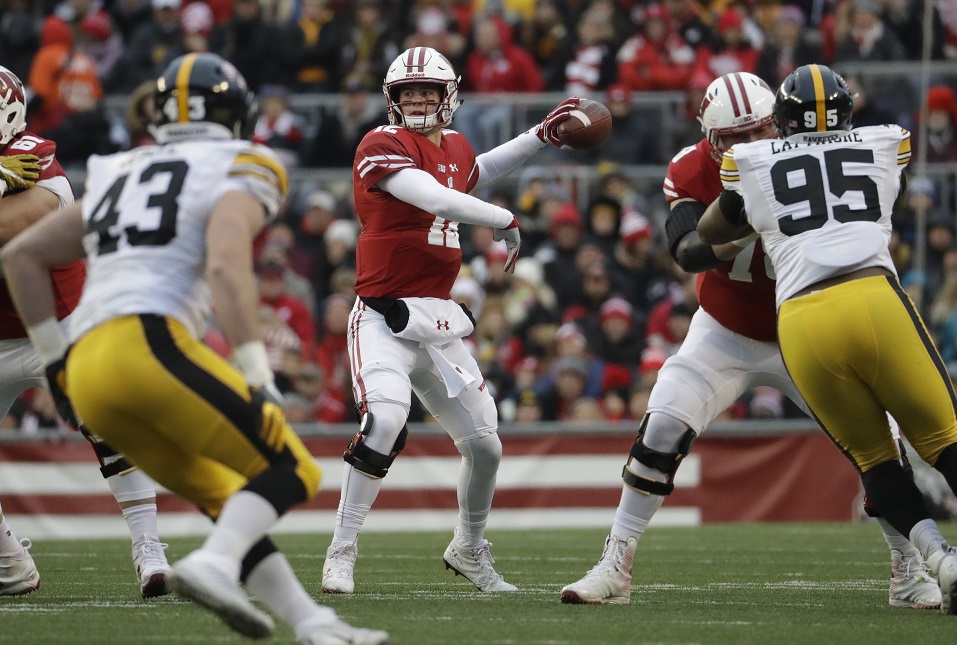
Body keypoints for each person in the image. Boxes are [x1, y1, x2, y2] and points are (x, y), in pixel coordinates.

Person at [1, 53, 388, 645]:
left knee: (225, 495)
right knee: (293, 469)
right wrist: (258, 371)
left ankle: (314, 624)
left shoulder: (120, 165)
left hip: (90, 365)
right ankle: (211, 564)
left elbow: (21, 257)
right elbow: (229, 268)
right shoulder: (245, 162)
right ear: (235, 111)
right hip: (149, 342)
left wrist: (56, 362)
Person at [559, 70, 942, 610]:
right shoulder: (692, 169)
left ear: (780, 125)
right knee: (663, 423)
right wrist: (750, 219)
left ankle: (908, 570)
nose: (745, 147)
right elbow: (686, 248)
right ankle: (615, 563)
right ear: (708, 137)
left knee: (884, 447)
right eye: (731, 139)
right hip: (726, 328)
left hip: (805, 329)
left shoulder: (808, 158)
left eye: (758, 132)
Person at [320, 45, 580, 595]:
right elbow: (437, 196)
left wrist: (540, 137)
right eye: (407, 93)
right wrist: (506, 217)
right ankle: (341, 550)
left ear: (448, 97)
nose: (417, 101)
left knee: (486, 446)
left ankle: (469, 545)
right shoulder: (381, 144)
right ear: (392, 100)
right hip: (382, 318)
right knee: (386, 420)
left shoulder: (455, 146)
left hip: (436, 320)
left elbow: (474, 170)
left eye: (427, 93)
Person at [697, 63, 957, 614]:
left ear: (780, 119)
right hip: (872, 297)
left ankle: (941, 560)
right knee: (945, 442)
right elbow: (889, 189)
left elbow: (710, 231)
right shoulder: (885, 142)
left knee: (875, 461)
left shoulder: (753, 161)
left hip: (802, 320)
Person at [0, 65, 170, 600]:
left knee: (108, 421)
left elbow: (21, 221)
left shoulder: (33, 155)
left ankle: (150, 549)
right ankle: (11, 566)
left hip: (59, 321)